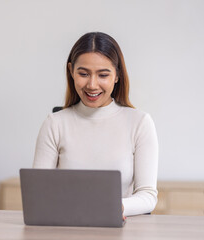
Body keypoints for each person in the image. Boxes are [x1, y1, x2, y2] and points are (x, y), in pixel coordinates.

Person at [33, 32, 158, 217]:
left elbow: (148, 196)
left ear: (117, 76)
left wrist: (113, 207)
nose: (92, 85)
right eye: (83, 74)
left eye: (103, 75)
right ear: (71, 71)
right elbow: (37, 192)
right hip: (66, 228)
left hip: (119, 229)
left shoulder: (139, 123)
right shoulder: (54, 124)